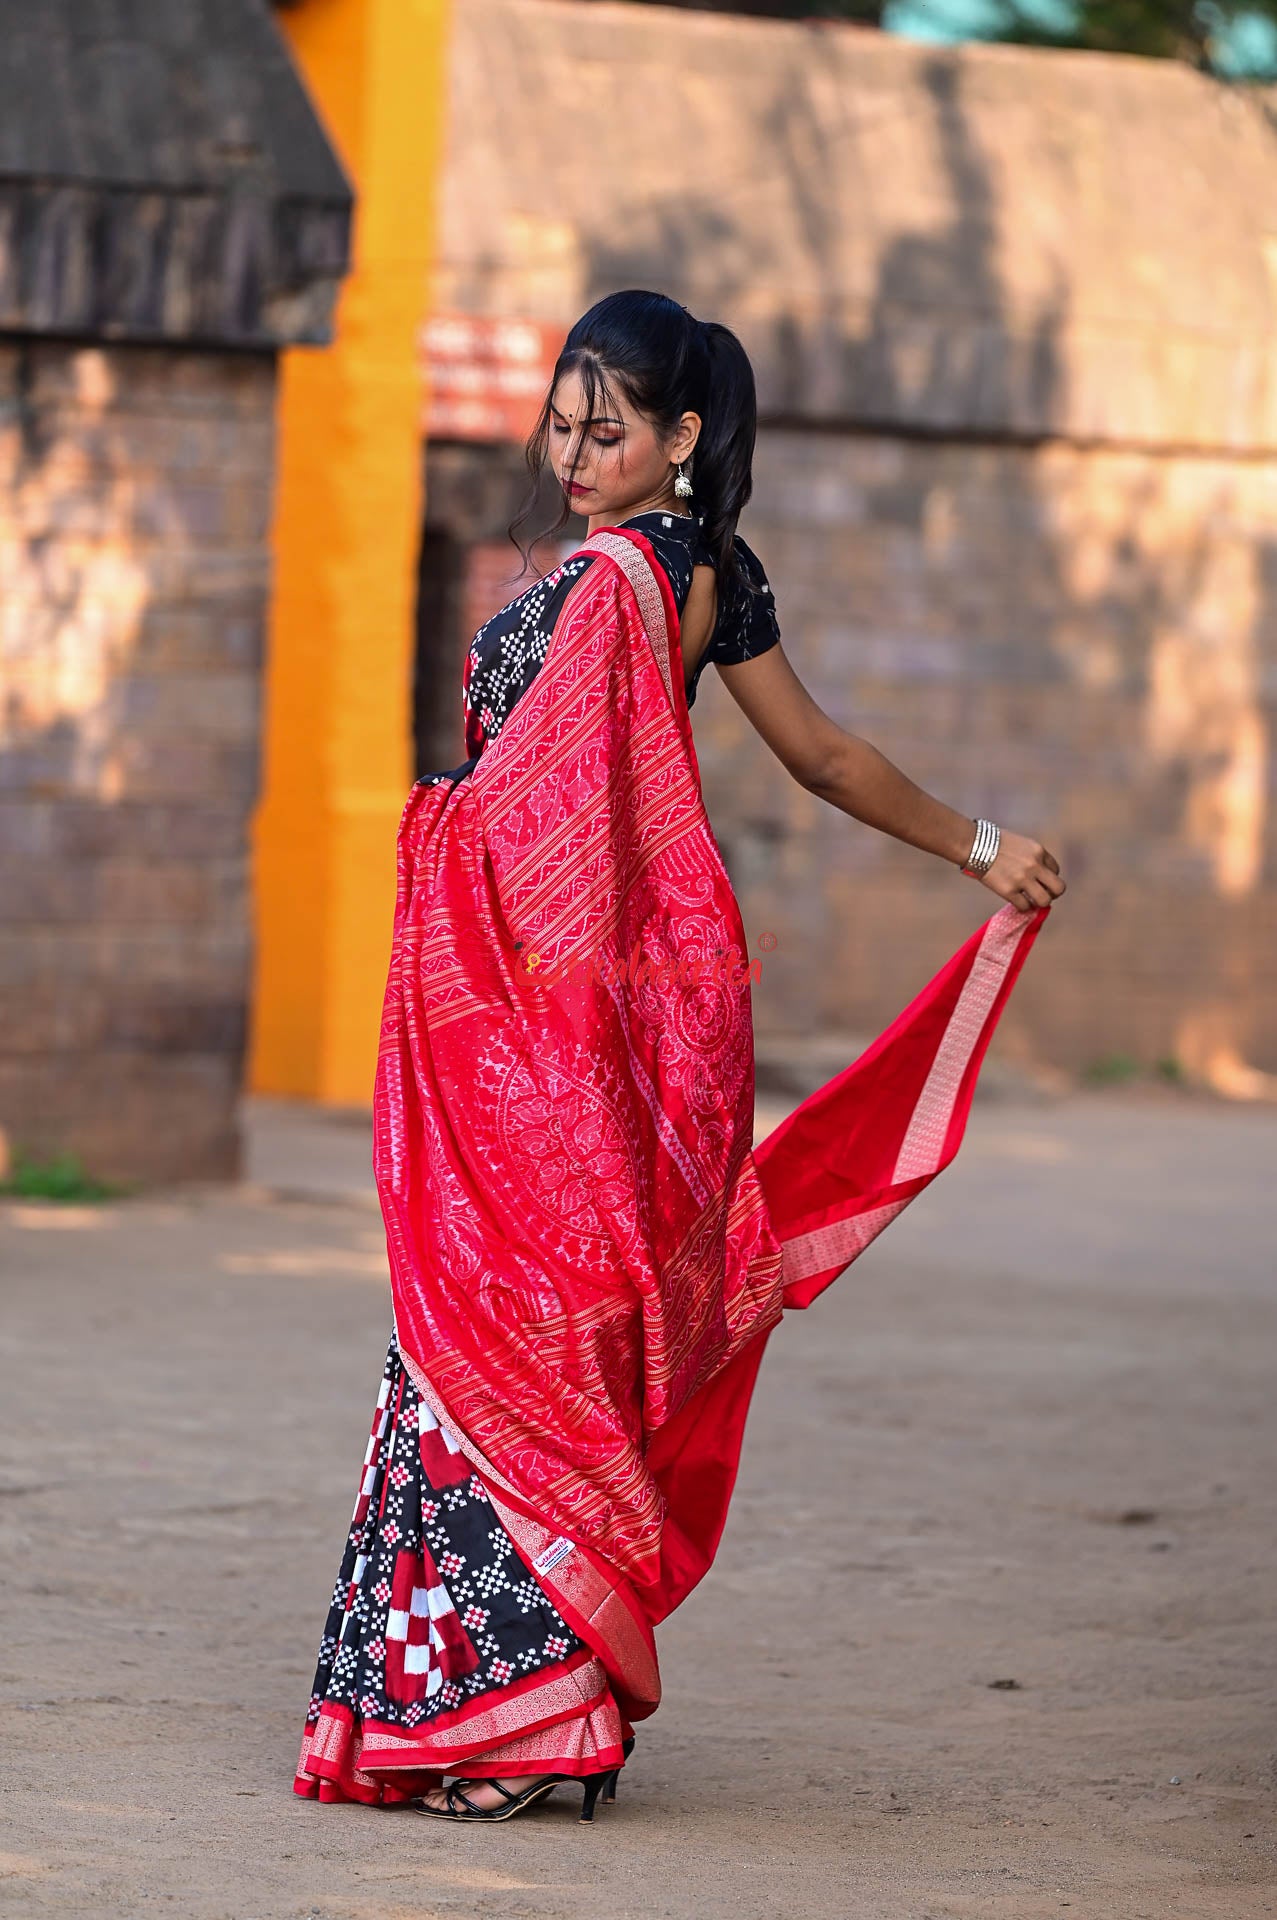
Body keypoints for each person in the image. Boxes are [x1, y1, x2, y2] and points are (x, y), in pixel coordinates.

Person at [293, 289, 1065, 1823]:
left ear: (681, 437)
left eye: (609, 428)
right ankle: (529, 1713)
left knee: (509, 1334)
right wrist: (976, 843)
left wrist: (436, 826)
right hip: (594, 1014)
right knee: (535, 1333)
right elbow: (819, 750)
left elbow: (591, 802)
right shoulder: (704, 572)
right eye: (562, 424)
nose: (574, 454)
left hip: (549, 1017)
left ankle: (509, 1730)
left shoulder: (619, 581)